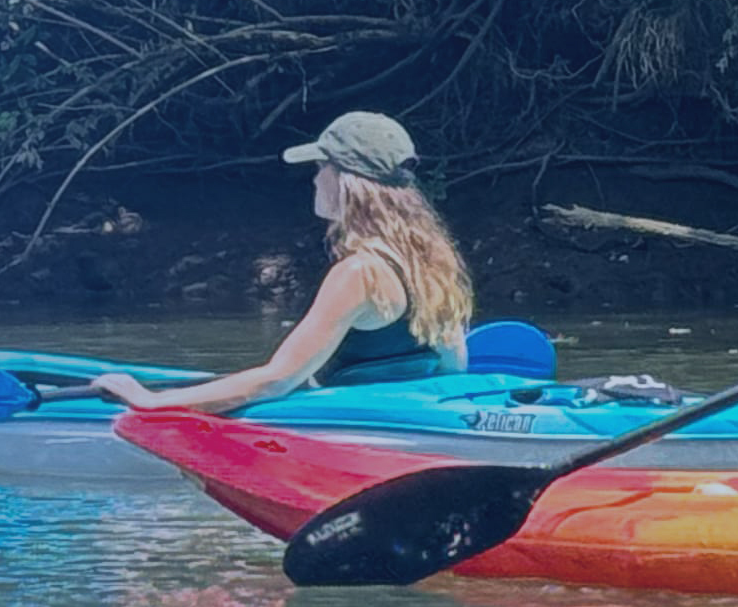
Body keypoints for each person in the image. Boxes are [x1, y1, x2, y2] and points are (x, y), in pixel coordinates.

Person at [87, 111, 473, 415]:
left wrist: (151, 401)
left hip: (347, 425)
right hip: (390, 415)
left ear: (347, 183)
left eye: (321, 168)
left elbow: (276, 381)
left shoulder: (359, 274)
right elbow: (452, 367)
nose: (315, 180)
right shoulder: (431, 261)